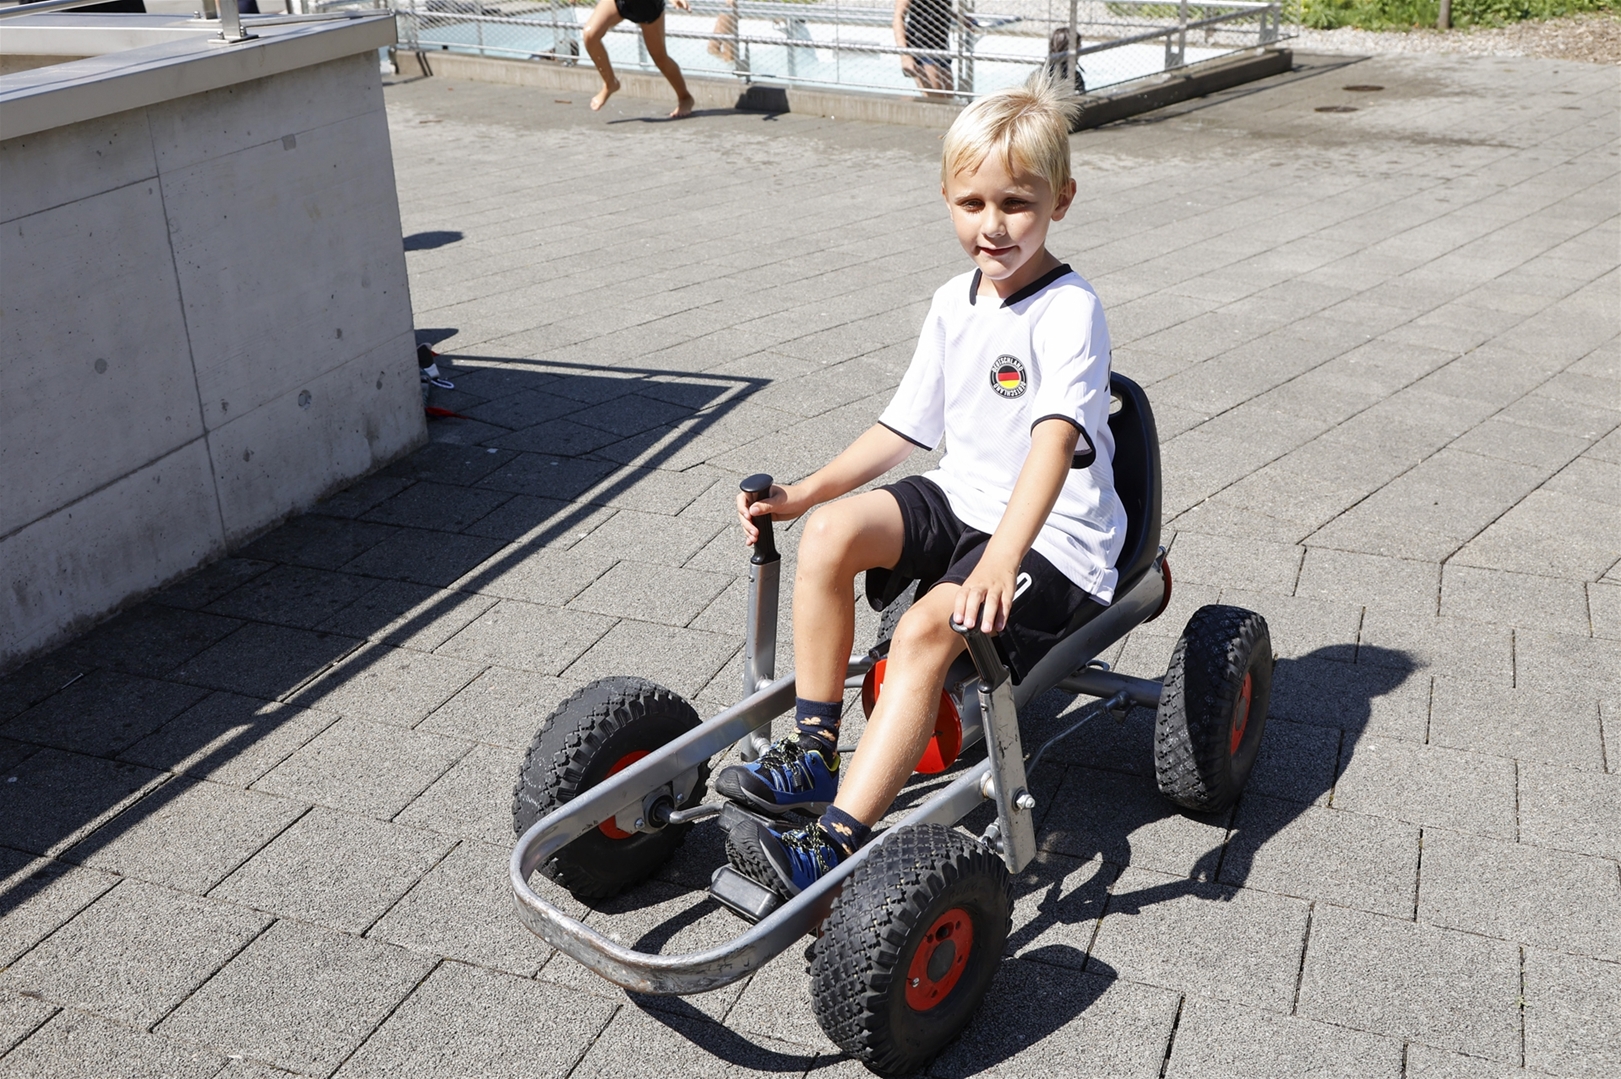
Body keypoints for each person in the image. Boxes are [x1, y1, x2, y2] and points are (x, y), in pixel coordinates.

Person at [716, 73, 1126, 899]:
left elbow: (1053, 442)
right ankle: (813, 752)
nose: (992, 225)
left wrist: (998, 558)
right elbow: (902, 429)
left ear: (1061, 200)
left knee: (922, 632)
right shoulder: (952, 300)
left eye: (1016, 203)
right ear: (946, 199)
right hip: (966, 495)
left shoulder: (1069, 310)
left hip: (1055, 535)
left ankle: (833, 844)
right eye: (971, 203)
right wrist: (803, 493)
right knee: (830, 532)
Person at [582, 0, 696, 118]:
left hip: (648, 7)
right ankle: (610, 83)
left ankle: (685, 97)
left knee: (660, 58)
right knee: (590, 35)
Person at [894, 0, 953, 97]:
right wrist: (905, 56)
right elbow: (898, 16)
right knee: (935, 98)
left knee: (948, 98)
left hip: (941, 45)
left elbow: (937, 7)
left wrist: (960, 18)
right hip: (921, 46)